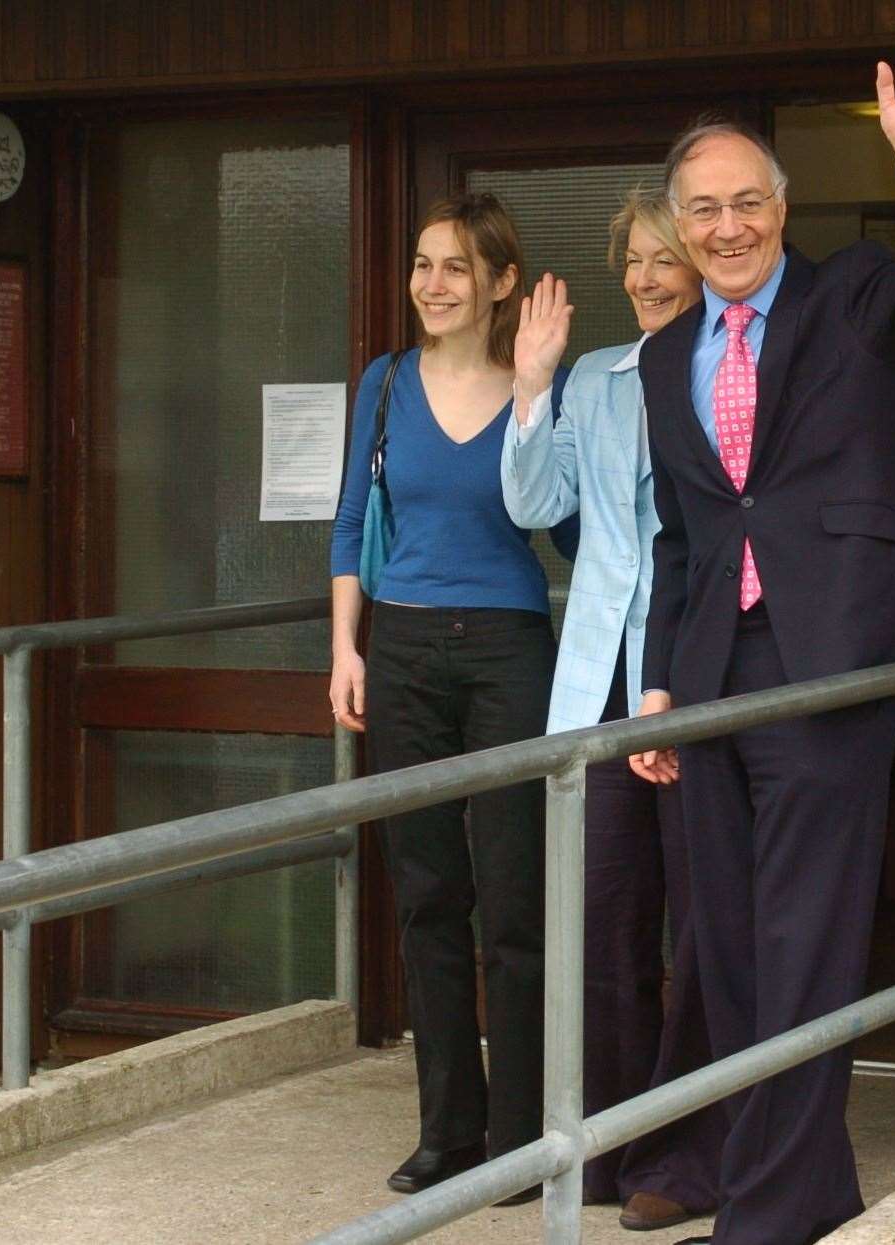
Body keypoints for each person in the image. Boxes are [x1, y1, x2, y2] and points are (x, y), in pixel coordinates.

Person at [626, 26, 895, 1245]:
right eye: (702, 211)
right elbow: (683, 536)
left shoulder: (857, 296)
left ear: (779, 210)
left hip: (828, 664)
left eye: (746, 204)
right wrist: (661, 689)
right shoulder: (663, 353)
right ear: (676, 229)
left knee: (801, 941)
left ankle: (774, 1211)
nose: (726, 228)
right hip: (714, 677)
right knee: (724, 943)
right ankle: (786, 1171)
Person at [328, 190, 573, 1199]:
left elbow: (562, 528)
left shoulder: (537, 386)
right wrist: (346, 648)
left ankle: (520, 1135)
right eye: (423, 265)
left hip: (511, 648)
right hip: (404, 650)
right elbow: (350, 524)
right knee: (428, 894)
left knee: (514, 901)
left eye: (455, 268)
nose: (432, 284)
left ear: (500, 284)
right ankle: (446, 1128)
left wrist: (533, 393)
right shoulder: (383, 384)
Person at [499, 192, 725, 1231]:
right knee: (604, 923)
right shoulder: (596, 379)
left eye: (664, 255)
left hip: (691, 682)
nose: (644, 276)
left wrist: (669, 684)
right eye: (632, 259)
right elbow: (537, 506)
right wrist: (534, 384)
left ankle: (684, 1153)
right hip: (596, 682)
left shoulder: (732, 372)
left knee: (700, 924)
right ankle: (604, 1140)